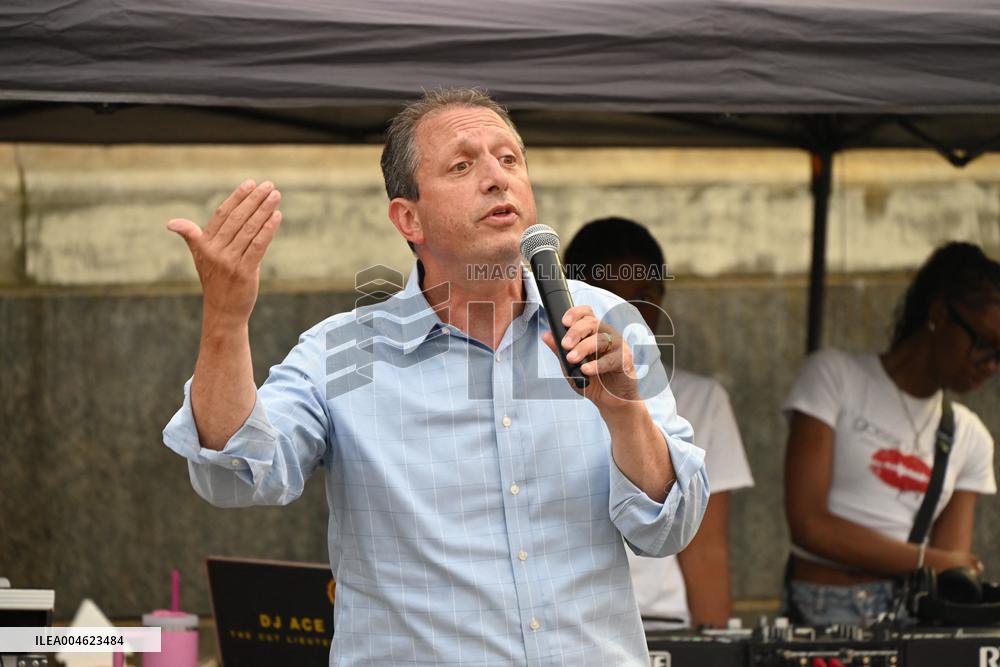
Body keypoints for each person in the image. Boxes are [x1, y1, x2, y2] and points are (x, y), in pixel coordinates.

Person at [162, 88, 708, 665]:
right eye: (463, 165)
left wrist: (625, 414)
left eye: (510, 158)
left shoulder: (606, 322)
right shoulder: (347, 352)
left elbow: (668, 529)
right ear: (409, 218)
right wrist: (225, 318)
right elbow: (235, 473)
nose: (497, 179)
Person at [783, 241, 999, 626]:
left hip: (910, 616)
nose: (991, 366)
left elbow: (951, 576)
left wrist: (944, 566)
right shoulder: (834, 376)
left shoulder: (971, 436)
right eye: (985, 345)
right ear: (939, 313)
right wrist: (928, 559)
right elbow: (808, 525)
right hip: (822, 607)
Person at [563, 217, 755, 628]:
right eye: (607, 297)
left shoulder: (703, 398)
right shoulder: (545, 391)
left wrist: (713, 645)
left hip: (664, 621)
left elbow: (706, 546)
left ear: (663, 299)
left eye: (643, 298)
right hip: (577, 624)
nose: (627, 313)